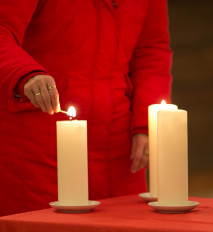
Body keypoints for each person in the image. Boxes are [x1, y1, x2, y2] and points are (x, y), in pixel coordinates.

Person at [0, 0, 172, 216]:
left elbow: (151, 51)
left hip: (119, 149)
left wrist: (146, 124)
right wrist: (25, 74)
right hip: (37, 149)